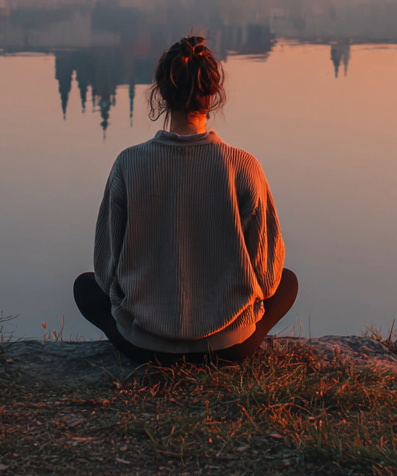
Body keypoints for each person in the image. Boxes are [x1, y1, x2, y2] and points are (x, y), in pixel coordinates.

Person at [74, 35, 297, 364]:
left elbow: (106, 277)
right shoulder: (244, 166)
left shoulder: (128, 164)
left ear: (161, 93)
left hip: (145, 345)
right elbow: (266, 279)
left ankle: (154, 335)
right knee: (287, 282)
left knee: (85, 287)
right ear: (214, 94)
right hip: (228, 347)